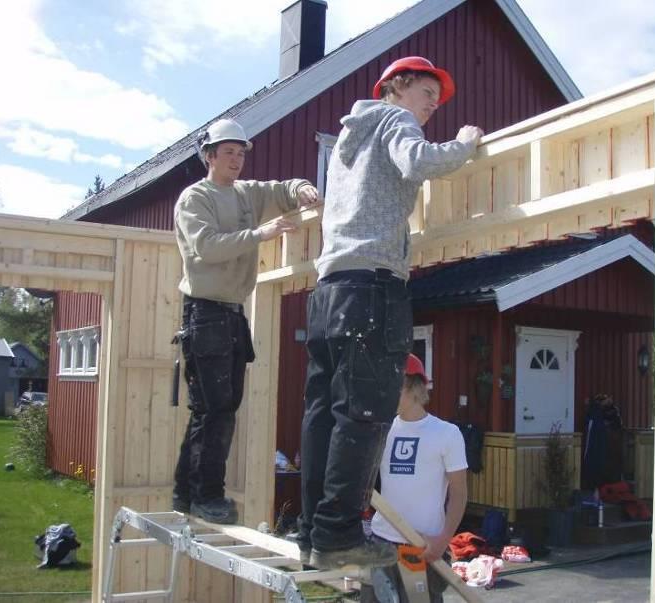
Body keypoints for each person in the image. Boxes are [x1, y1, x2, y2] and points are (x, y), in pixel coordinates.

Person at [298, 56, 483, 569]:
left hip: (330, 288)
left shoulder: (348, 141)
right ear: (397, 86)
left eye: (437, 101)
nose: (432, 106)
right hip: (371, 287)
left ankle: (312, 531)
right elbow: (418, 161)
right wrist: (464, 144)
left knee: (323, 414)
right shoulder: (395, 120)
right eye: (427, 92)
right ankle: (337, 535)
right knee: (364, 414)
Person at [172, 118, 319, 524]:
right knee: (214, 409)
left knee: (220, 407)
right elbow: (205, 249)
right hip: (203, 312)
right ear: (210, 156)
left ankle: (186, 494)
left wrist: (301, 188)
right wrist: (261, 233)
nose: (237, 160)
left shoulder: (245, 194)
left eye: (241, 153)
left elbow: (282, 189)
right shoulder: (195, 198)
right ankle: (206, 496)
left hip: (231, 314)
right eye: (229, 153)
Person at [361, 354, 468, 603]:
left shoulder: (446, 434)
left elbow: (459, 493)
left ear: (412, 387)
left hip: (421, 548)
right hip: (381, 545)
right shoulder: (382, 430)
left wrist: (443, 541)